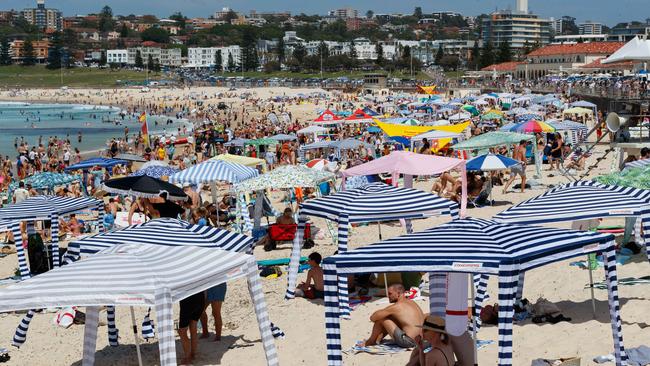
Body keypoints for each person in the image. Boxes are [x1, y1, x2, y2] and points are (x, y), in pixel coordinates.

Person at [360, 283, 424, 348]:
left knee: (382, 318)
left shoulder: (397, 306)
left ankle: (370, 341)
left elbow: (373, 318)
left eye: (390, 293)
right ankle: (378, 339)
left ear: (398, 293)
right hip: (420, 340)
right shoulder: (412, 303)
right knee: (394, 318)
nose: (388, 296)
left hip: (409, 342)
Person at [178, 291, 206, 365]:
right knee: (193, 328)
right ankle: (193, 354)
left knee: (182, 331)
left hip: (188, 299)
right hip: (200, 297)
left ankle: (188, 358)